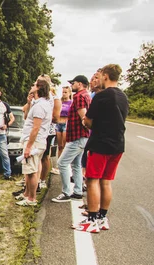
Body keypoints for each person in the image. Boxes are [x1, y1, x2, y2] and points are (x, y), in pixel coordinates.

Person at [73, 64, 129, 233]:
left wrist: (86, 122)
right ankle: (102, 217)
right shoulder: (123, 96)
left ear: (105, 76)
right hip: (118, 143)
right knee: (106, 181)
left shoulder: (102, 96)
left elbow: (88, 120)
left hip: (100, 143)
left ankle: (91, 219)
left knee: (92, 180)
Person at [51, 74, 91, 203]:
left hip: (77, 136)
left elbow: (84, 118)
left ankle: (66, 192)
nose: (71, 85)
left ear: (79, 84)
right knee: (76, 165)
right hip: (81, 137)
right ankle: (78, 191)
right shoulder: (87, 95)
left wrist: (85, 128)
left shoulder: (79, 96)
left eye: (73, 83)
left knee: (62, 163)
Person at [15, 79, 53, 206]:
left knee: (31, 171)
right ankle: (27, 194)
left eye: (34, 84)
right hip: (37, 142)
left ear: (39, 88)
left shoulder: (40, 106)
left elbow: (35, 128)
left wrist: (28, 147)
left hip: (35, 142)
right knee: (31, 169)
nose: (32, 86)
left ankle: (32, 198)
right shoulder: (38, 104)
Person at [55, 85, 72, 156]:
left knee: (64, 145)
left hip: (66, 123)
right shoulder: (60, 102)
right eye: (63, 92)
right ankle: (59, 163)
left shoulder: (71, 102)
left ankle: (65, 163)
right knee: (60, 146)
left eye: (65, 92)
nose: (64, 94)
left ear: (69, 93)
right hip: (58, 123)